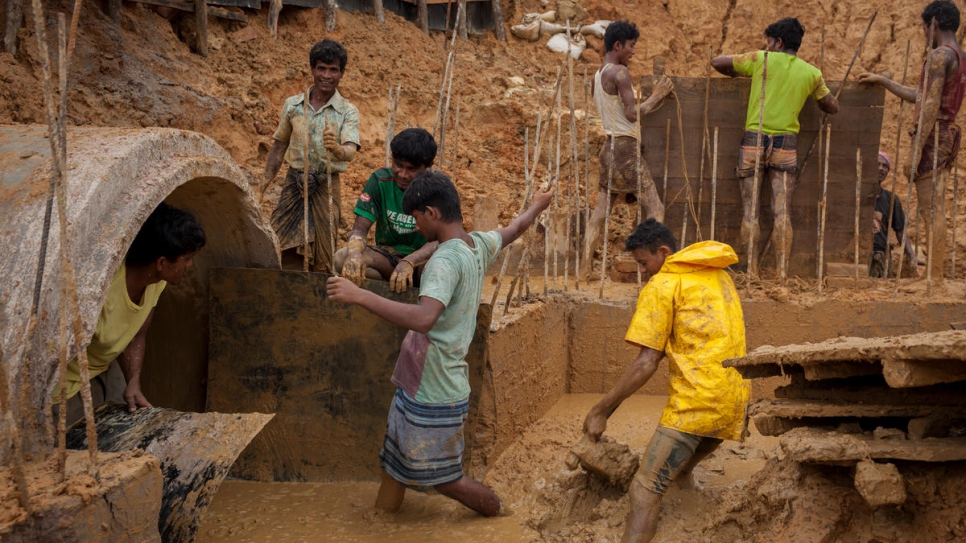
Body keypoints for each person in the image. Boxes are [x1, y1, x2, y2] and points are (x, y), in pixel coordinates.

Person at [326, 171, 554, 516]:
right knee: (394, 461)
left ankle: (503, 518)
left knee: (446, 479)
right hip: (417, 381)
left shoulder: (443, 263)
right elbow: (515, 228)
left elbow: (423, 319)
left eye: (416, 217)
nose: (415, 226)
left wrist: (359, 296)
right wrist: (537, 205)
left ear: (431, 213)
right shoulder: (476, 244)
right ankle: (382, 520)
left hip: (435, 388)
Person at [580, 219, 750, 543]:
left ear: (663, 252)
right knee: (678, 469)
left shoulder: (664, 285)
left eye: (644, 263)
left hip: (697, 404)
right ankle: (683, 491)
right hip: (735, 402)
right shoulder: (718, 273)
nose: (642, 272)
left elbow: (646, 362)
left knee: (645, 489)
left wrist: (600, 410)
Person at [53, 203, 206, 424]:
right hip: (64, 390)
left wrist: (133, 380)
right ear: (162, 262)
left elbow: (136, 334)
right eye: (186, 258)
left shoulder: (155, 281)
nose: (190, 265)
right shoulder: (98, 292)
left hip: (105, 369)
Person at [712, 18, 839, 275]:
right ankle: (782, 273)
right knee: (782, 212)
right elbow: (832, 106)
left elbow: (718, 62)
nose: (767, 46)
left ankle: (752, 272)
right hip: (786, 142)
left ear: (778, 42)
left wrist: (739, 72)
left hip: (754, 139)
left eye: (769, 42)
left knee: (751, 211)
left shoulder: (761, 59)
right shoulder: (812, 73)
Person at [859, 1, 965, 285]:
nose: (922, 34)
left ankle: (934, 279)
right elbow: (923, 95)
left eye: (923, 28)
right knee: (936, 206)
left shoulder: (939, 56)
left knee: (931, 208)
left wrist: (915, 153)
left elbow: (929, 106)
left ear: (934, 23)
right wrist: (884, 81)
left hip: (934, 135)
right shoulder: (958, 55)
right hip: (948, 133)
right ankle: (935, 276)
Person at [578, 20, 673, 281]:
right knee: (655, 208)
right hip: (626, 151)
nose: (633, 51)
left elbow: (616, 113)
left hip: (609, 150)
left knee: (599, 214)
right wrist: (657, 96)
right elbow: (632, 115)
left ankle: (584, 270)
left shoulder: (598, 76)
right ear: (618, 45)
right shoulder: (620, 73)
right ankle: (654, 269)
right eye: (631, 46)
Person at [262, 38, 361, 273]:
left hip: (327, 185)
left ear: (341, 73)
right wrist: (263, 187)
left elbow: (350, 151)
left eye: (333, 70)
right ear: (312, 69)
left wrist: (336, 149)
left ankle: (318, 298)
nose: (326, 75)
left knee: (324, 253)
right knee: (277, 240)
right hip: (294, 183)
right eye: (321, 68)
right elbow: (278, 148)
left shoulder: (347, 110)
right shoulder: (293, 106)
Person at [334, 128, 439, 293]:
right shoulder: (380, 180)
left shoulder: (438, 188)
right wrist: (354, 253)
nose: (403, 174)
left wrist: (410, 261)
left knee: (441, 270)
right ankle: (388, 291)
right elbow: (360, 229)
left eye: (411, 169)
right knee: (342, 259)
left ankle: (417, 292)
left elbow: (441, 240)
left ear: (428, 167)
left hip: (423, 261)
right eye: (398, 165)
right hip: (389, 258)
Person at [870, 151, 917, 278]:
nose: (881, 168)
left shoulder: (891, 200)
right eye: (877, 164)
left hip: (882, 256)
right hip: (860, 256)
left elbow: (900, 230)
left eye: (885, 166)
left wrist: (911, 255)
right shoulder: (856, 196)